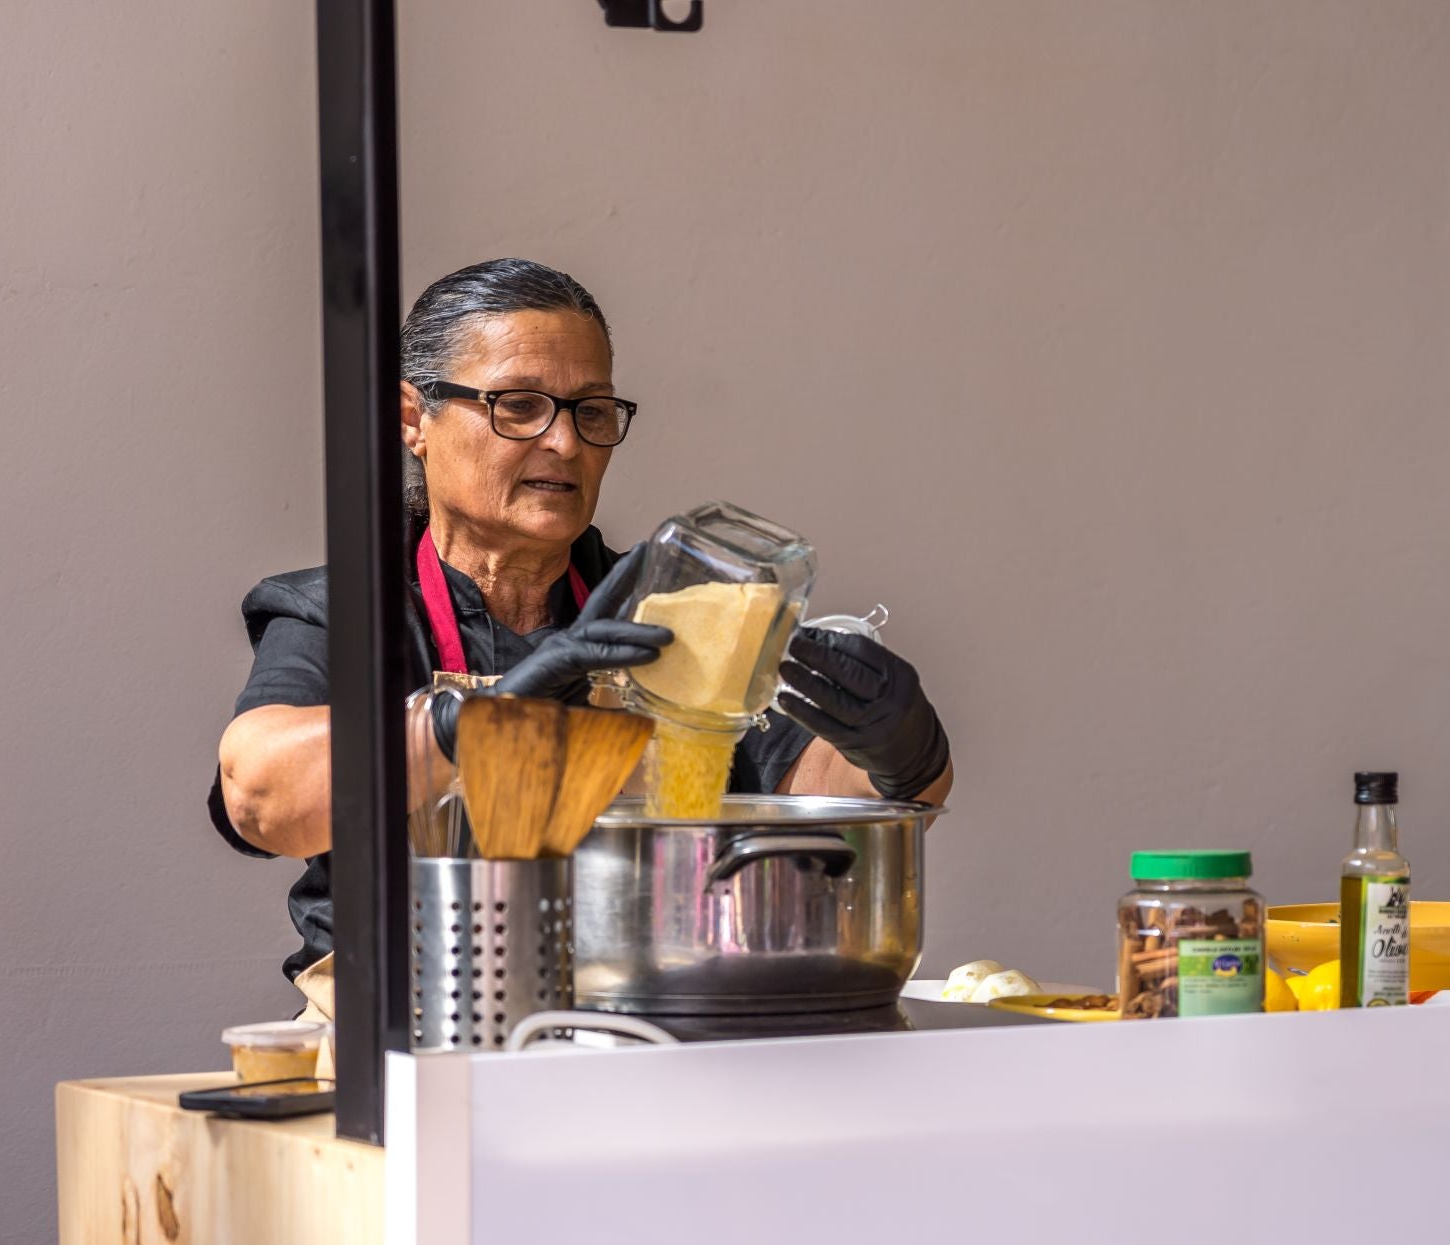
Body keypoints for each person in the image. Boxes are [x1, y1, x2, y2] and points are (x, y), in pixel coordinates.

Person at [209, 258, 954, 991]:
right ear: (414, 420)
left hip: (643, 1012)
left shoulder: (665, 611)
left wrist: (903, 752)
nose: (565, 443)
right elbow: (260, 796)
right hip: (399, 1032)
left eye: (591, 412)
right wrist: (475, 723)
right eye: (519, 405)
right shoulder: (346, 612)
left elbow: (815, 790)